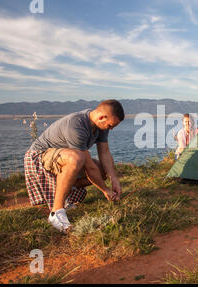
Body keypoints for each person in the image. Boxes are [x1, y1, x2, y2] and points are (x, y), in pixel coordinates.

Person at [24, 99, 124, 233]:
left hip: (63, 158)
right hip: (39, 156)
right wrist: (105, 190)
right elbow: (89, 167)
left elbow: (105, 153)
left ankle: (67, 196)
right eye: (110, 126)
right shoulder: (76, 124)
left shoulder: (101, 126)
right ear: (101, 117)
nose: (111, 129)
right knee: (77, 157)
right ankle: (56, 213)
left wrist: (114, 180)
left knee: (102, 170)